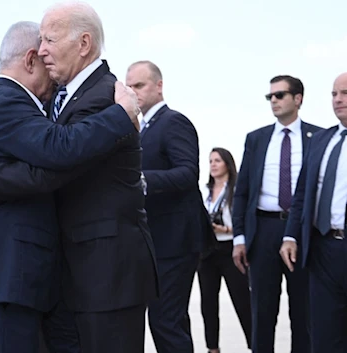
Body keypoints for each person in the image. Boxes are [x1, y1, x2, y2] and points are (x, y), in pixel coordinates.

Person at [0, 4, 158, 353]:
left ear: (84, 44)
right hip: (8, 279)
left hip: (104, 273)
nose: (43, 51)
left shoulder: (103, 96)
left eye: (50, 40)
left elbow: (57, 159)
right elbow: (53, 155)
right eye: (40, 43)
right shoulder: (18, 102)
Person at [126, 60, 214, 353]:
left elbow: (189, 173)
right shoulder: (141, 128)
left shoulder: (173, 121)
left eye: (139, 85)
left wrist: (141, 180)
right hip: (155, 241)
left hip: (175, 241)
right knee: (164, 321)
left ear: (159, 86)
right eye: (129, 87)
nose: (133, 92)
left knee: (166, 321)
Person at [232, 75, 322, 353]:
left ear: (298, 99)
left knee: (303, 312)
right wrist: (239, 238)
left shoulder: (318, 138)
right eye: (270, 96)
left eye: (280, 95)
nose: (273, 100)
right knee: (262, 311)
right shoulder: (256, 139)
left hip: (304, 233)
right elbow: (242, 191)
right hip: (263, 230)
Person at [281, 72, 347, 353]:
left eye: (344, 93)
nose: (338, 100)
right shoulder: (321, 140)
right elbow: (302, 195)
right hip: (322, 250)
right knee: (323, 334)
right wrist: (290, 236)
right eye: (334, 94)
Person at [198, 147, 252, 353]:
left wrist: (226, 229)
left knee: (242, 300)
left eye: (217, 161)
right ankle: (212, 348)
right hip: (208, 250)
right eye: (210, 161)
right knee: (208, 303)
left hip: (231, 247)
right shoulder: (205, 191)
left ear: (227, 164)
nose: (212, 164)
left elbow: (243, 220)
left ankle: (254, 344)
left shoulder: (237, 190)